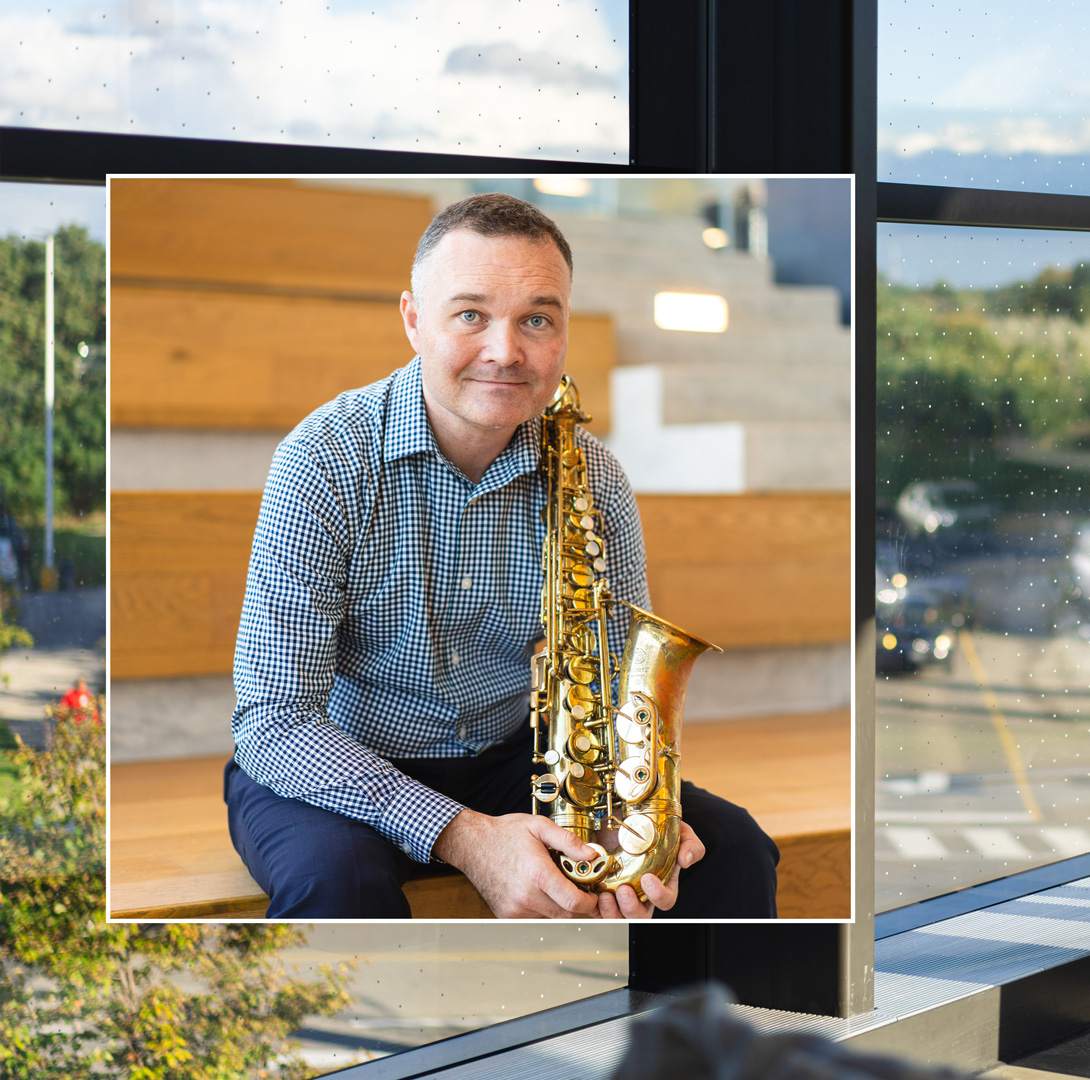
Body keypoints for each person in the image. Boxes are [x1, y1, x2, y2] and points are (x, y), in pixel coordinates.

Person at [224, 193, 778, 919]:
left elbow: (615, 697)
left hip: (513, 758)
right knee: (338, 889)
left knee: (733, 848)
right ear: (414, 321)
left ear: (565, 333)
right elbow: (275, 720)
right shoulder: (324, 460)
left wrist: (627, 813)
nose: (505, 351)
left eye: (537, 320)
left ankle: (693, 1034)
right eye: (470, 315)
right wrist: (468, 838)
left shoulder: (595, 477)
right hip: (333, 761)